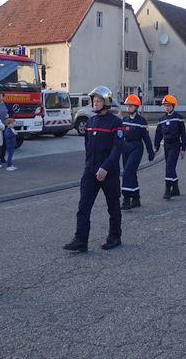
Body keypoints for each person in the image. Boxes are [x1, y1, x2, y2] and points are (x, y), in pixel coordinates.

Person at [63, 85, 124, 252]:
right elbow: (88, 146)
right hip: (90, 172)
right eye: (94, 100)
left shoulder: (116, 122)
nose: (95, 103)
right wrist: (89, 166)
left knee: (113, 207)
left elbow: (117, 148)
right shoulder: (90, 121)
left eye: (98, 101)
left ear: (106, 102)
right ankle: (81, 240)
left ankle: (115, 236)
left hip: (109, 173)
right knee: (83, 207)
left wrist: (105, 167)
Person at [120, 94, 154, 210]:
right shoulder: (124, 120)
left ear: (136, 107)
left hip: (136, 148)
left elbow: (146, 138)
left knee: (127, 172)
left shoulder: (142, 121)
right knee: (130, 173)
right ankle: (136, 198)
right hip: (126, 147)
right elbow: (119, 136)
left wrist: (151, 152)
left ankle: (126, 199)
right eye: (127, 105)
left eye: (131, 105)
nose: (128, 108)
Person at [154, 94, 186, 200]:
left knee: (169, 167)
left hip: (175, 145)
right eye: (165, 105)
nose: (167, 107)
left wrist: (183, 149)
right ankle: (176, 188)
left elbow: (183, 134)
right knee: (171, 167)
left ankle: (168, 189)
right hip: (166, 145)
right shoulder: (162, 119)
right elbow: (158, 133)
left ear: (173, 106)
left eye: (168, 105)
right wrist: (156, 146)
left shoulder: (179, 118)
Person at [0, 91, 13, 164]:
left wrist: (9, 116)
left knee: (4, 142)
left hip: (5, 126)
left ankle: (2, 157)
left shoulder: (7, 105)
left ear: (3, 97)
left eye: (0, 96)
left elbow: (12, 114)